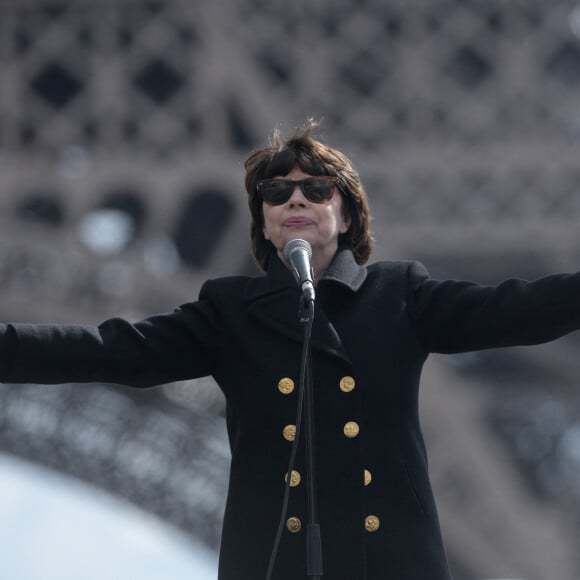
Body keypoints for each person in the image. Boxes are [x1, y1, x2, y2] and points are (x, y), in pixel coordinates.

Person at [2, 121, 580, 580]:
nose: (295, 199)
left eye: (316, 189)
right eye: (277, 193)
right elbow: (113, 350)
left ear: (346, 212)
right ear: (265, 222)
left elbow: (516, 308)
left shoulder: (399, 294)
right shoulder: (229, 311)